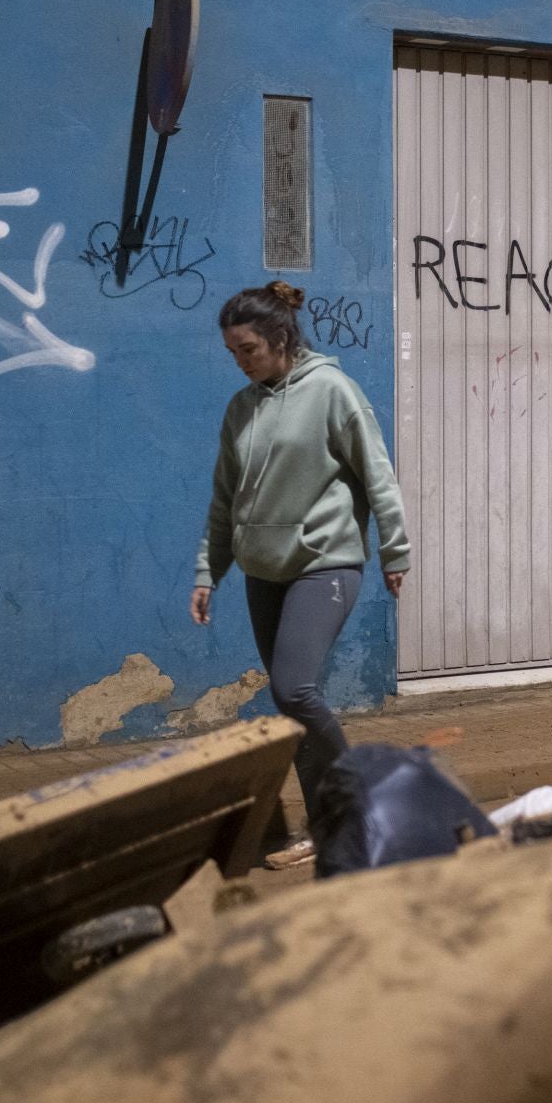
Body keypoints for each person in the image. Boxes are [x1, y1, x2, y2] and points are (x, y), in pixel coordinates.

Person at [191, 281, 410, 864]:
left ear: (282, 338)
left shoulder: (333, 390)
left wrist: (395, 550)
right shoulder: (242, 408)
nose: (240, 362)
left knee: (295, 689)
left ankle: (358, 807)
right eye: (233, 352)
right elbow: (223, 499)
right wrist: (208, 571)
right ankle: (325, 828)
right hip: (265, 571)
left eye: (249, 349)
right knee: (291, 706)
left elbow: (377, 474)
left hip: (326, 563)